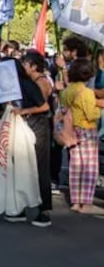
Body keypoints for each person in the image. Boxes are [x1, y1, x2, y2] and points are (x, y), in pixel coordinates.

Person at [5, 51, 54, 227]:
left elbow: (44, 106)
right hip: (21, 128)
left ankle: (44, 209)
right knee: (20, 168)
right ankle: (21, 206)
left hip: (37, 127)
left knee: (39, 168)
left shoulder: (29, 84)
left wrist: (23, 111)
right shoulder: (12, 85)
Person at [57, 58, 104, 215]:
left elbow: (64, 108)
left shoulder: (68, 91)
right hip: (87, 130)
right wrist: (98, 109)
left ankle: (76, 202)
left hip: (72, 131)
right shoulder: (87, 92)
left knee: (76, 167)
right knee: (90, 168)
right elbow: (91, 115)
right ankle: (87, 203)